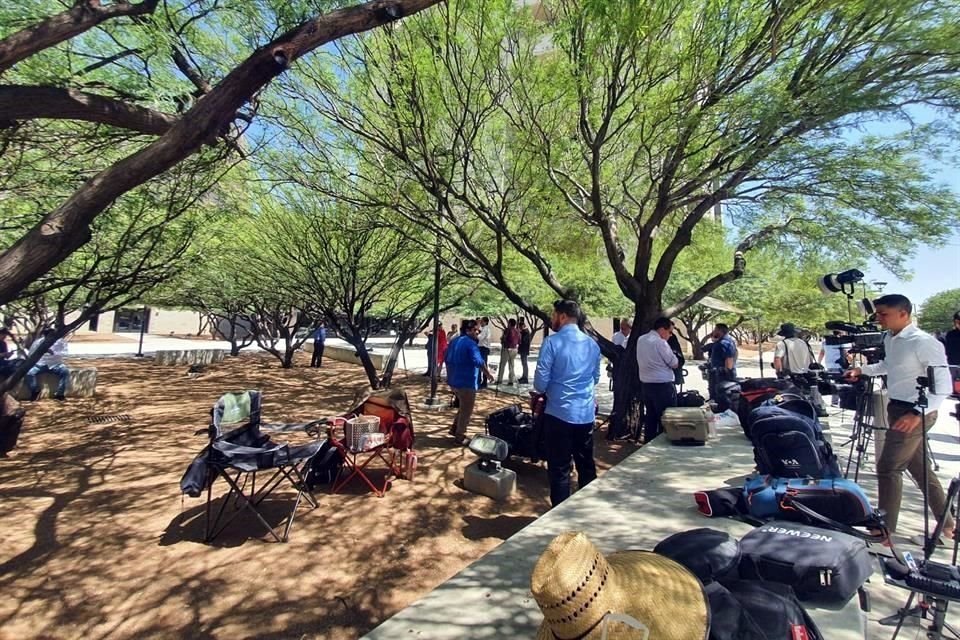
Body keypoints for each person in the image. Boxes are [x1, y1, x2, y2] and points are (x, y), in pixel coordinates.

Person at [845, 294, 953, 539]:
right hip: (897, 408)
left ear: (903, 314)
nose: (879, 319)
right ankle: (948, 524)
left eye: (884, 314)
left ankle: (884, 530)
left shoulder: (924, 342)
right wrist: (861, 370)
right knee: (920, 469)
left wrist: (917, 414)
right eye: (878, 313)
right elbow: (887, 365)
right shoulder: (890, 338)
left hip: (915, 411)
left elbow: (943, 386)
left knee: (888, 467)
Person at [534, 299, 601, 507]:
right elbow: (596, 377)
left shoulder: (552, 342)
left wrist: (550, 389)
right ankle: (588, 509)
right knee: (586, 464)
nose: (552, 319)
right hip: (585, 414)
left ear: (562, 316)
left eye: (554, 314)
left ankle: (561, 514)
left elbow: (540, 382)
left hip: (559, 413)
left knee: (559, 468)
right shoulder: (592, 344)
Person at [445, 319, 494, 444]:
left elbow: (447, 359)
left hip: (454, 380)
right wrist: (488, 374)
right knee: (467, 409)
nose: (478, 333)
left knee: (463, 405)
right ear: (469, 330)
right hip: (466, 382)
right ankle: (460, 436)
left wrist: (450, 379)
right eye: (476, 330)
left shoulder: (454, 341)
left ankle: (455, 428)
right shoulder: (471, 344)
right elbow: (478, 361)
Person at [635, 317, 679, 443]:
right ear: (661, 329)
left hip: (646, 385)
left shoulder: (641, 339)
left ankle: (649, 442)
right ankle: (665, 443)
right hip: (662, 385)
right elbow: (674, 363)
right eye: (669, 332)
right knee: (667, 418)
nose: (670, 335)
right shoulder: (660, 343)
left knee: (651, 417)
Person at [25, 329, 70, 401]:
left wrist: (54, 353)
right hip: (40, 364)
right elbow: (30, 354)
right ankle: (35, 391)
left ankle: (60, 394)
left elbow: (65, 353)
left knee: (65, 372)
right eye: (47, 337)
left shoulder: (61, 342)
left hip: (56, 364)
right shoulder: (38, 342)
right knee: (29, 373)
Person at [705, 323, 737, 401]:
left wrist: (725, 371)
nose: (713, 331)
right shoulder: (726, 341)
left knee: (720, 396)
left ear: (719, 331)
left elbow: (729, 359)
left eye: (715, 330)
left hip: (721, 375)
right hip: (718, 372)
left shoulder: (724, 343)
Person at [498, 319, 521, 386]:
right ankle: (511, 381)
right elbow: (519, 341)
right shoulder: (518, 331)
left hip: (507, 348)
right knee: (511, 365)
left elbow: (503, 339)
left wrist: (502, 339)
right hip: (515, 349)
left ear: (510, 323)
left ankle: (500, 380)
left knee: (502, 364)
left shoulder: (507, 330)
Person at [477, 317, 491, 389]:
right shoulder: (484, 329)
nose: (480, 323)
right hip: (483, 348)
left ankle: (482, 381)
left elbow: (480, 338)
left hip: (483, 348)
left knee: (482, 364)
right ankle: (481, 381)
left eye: (482, 322)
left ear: (485, 322)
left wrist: (476, 334)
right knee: (482, 364)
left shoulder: (485, 329)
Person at [517, 318, 532, 384]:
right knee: (523, 364)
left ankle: (525, 378)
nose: (519, 329)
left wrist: (520, 337)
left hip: (524, 350)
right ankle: (523, 376)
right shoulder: (524, 332)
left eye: (520, 327)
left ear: (522, 326)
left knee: (525, 364)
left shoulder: (525, 332)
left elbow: (524, 341)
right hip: (523, 350)